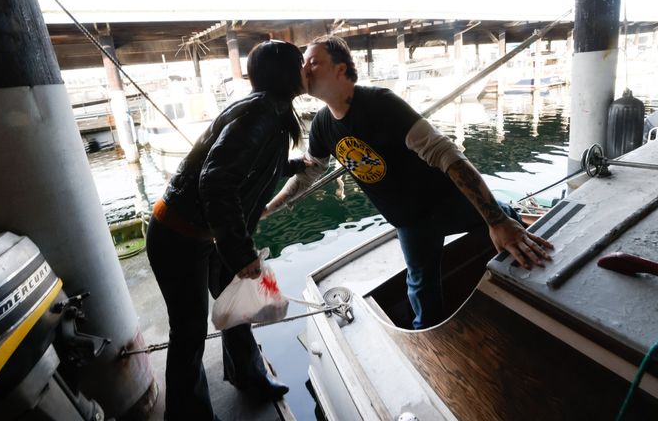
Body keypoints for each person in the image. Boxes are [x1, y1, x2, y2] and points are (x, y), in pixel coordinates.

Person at [265, 35, 553, 330]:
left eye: (314, 62)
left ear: (340, 69)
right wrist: (267, 209)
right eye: (305, 64)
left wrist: (496, 220)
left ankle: (532, 290)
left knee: (508, 221)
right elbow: (309, 172)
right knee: (422, 297)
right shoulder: (323, 125)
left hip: (446, 201)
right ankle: (431, 339)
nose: (306, 70)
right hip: (410, 223)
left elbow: (446, 155)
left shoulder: (381, 103)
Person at [146, 39, 307, 420]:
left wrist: (293, 166)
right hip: (178, 235)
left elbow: (250, 165)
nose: (306, 70)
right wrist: (241, 254)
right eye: (301, 63)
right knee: (188, 332)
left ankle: (249, 376)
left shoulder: (270, 110)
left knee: (237, 311)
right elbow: (216, 180)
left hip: (205, 234)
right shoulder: (262, 114)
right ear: (286, 73)